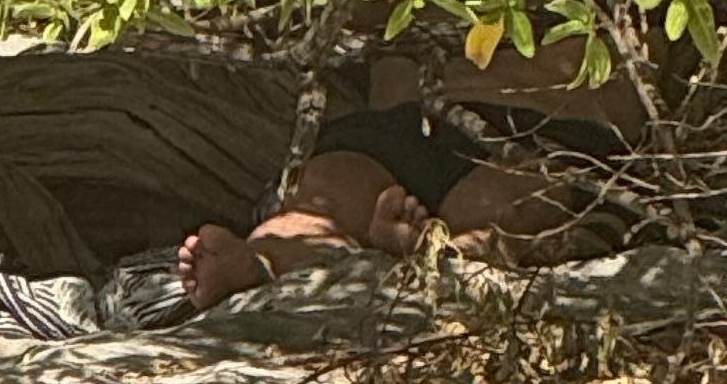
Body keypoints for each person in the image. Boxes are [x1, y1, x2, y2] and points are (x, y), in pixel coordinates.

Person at [177, 52, 637, 305]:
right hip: (405, 123)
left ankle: (433, 253)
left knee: (502, 207)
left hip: (547, 128)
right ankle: (260, 261)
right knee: (325, 194)